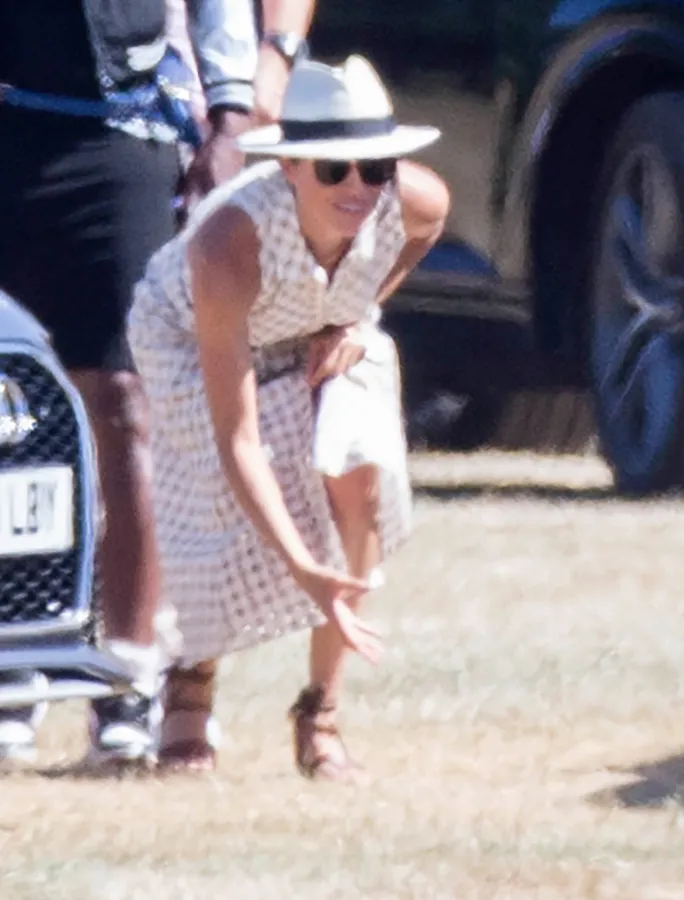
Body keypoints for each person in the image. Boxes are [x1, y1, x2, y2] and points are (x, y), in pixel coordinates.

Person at [126, 53, 449, 779]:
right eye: (334, 170)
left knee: (358, 474)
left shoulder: (411, 200)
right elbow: (239, 441)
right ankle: (190, 683)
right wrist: (304, 566)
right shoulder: (227, 245)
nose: (360, 187)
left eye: (375, 167)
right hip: (193, 337)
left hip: (319, 323)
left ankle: (321, 715)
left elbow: (426, 225)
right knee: (217, 507)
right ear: (290, 168)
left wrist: (357, 311)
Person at [0, 0, 260, 767]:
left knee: (122, 402)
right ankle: (15, 665)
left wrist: (231, 116)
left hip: (121, 131)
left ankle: (127, 676)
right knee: (11, 416)